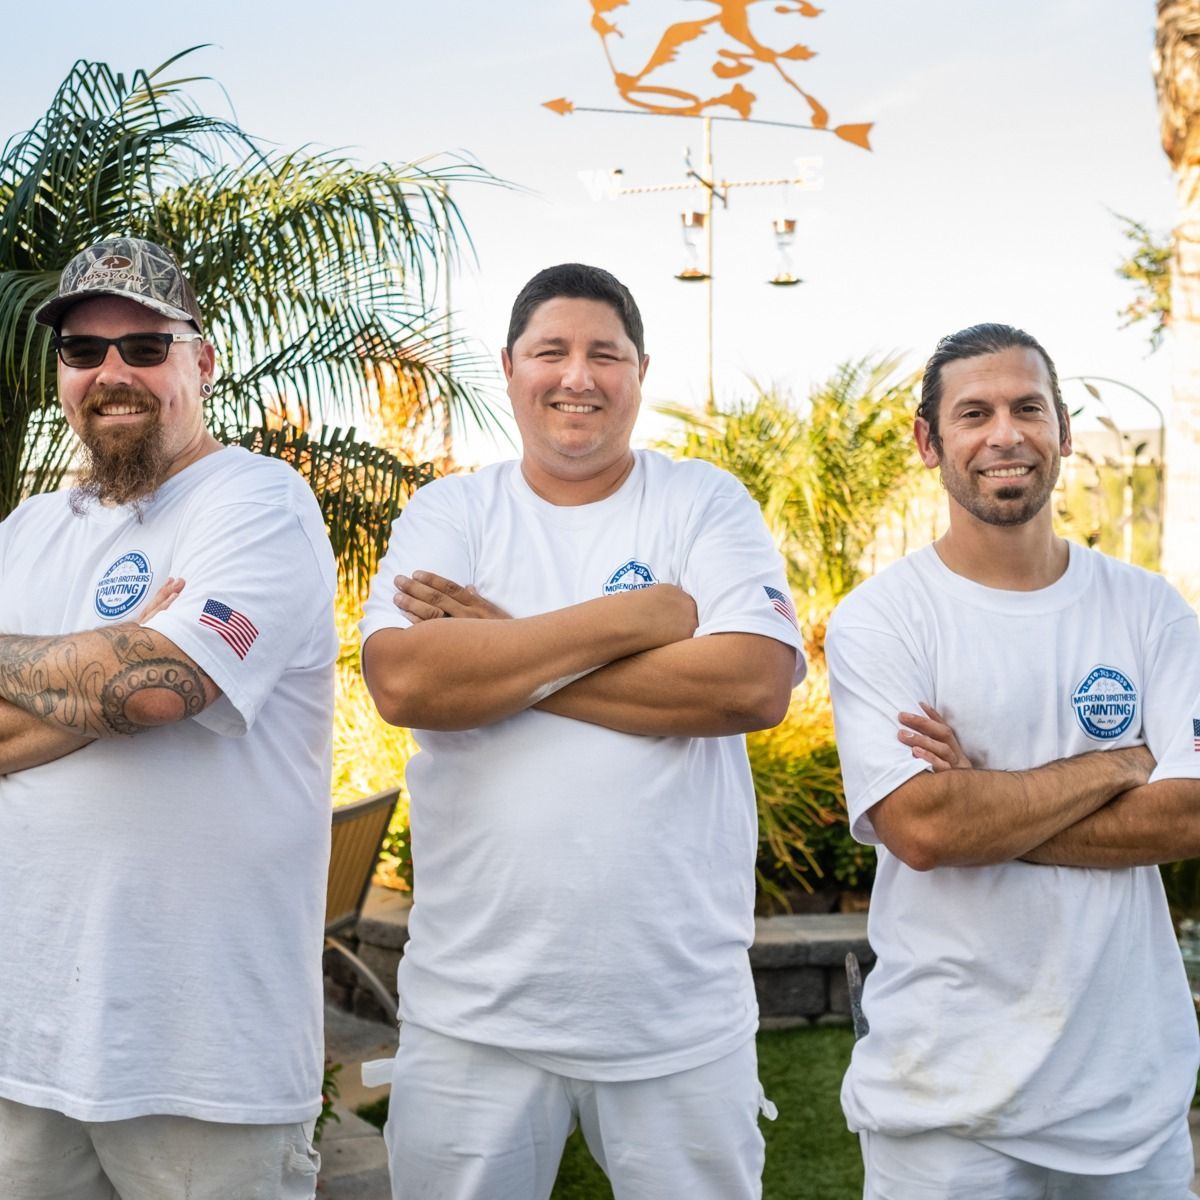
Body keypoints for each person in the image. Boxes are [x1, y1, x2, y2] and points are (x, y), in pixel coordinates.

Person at [359, 262, 805, 1199]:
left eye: (605, 353)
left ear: (641, 370)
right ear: (509, 369)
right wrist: (643, 618)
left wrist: (498, 649)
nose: (578, 375)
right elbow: (404, 679)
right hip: (472, 1016)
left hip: (673, 1017)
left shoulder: (702, 501)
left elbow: (752, 684)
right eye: (550, 351)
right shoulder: (454, 510)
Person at [825, 322, 1200, 1199]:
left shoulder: (1150, 610)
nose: (1006, 433)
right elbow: (920, 828)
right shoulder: (885, 619)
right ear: (929, 442)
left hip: (1129, 1105)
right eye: (974, 412)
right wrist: (1118, 765)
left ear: (1063, 432)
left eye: (1029, 408)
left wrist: (980, 806)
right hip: (943, 1109)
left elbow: (1187, 815)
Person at [0, 238, 337, 1200]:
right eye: (82, 350)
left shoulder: (258, 503)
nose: (112, 372)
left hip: (205, 1067)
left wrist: (145, 664)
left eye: (145, 346)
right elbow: (135, 681)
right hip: (28, 1052)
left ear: (202, 359)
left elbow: (157, 686)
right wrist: (117, 657)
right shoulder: (28, 531)